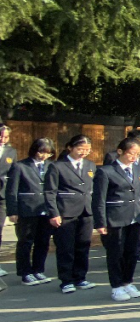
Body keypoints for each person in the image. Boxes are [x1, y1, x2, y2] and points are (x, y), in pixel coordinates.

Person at [93, 137, 140, 301]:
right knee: (116, 253)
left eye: (138, 154)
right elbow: (99, 199)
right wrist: (100, 222)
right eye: (132, 153)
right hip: (115, 218)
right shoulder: (106, 171)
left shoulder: (139, 170)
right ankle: (116, 286)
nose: (134, 157)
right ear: (120, 151)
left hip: (136, 217)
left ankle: (128, 281)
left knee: (132, 252)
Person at [44, 135, 96, 293]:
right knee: (66, 247)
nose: (83, 153)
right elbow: (49, 191)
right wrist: (53, 213)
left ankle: (80, 277)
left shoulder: (90, 165)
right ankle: (66, 280)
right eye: (80, 149)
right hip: (65, 211)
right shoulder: (57, 166)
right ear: (70, 147)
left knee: (83, 245)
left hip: (86, 211)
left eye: (87, 150)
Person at [6, 137, 56, 286]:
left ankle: (38, 269)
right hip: (26, 209)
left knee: (43, 241)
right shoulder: (20, 166)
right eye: (41, 152)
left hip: (45, 209)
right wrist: (12, 211)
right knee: (25, 241)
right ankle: (25, 272)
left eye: (48, 153)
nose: (44, 156)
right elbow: (11, 190)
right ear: (34, 150)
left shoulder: (51, 166)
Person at [0, 124, 16, 278]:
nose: (2, 140)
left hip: (2, 195)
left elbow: (13, 175)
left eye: (5, 137)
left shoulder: (11, 152)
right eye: (0, 136)